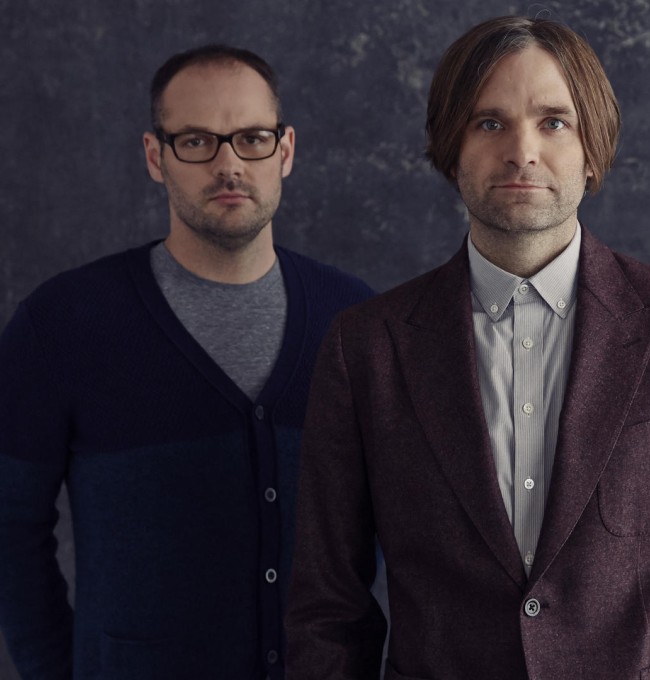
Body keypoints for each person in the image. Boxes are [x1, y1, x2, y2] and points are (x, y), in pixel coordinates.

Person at [285, 15, 650, 680]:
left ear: (592, 147)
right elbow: (328, 607)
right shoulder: (367, 348)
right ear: (451, 148)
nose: (521, 150)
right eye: (489, 122)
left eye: (554, 121)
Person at [0, 45, 373, 679]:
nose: (229, 165)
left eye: (252, 138)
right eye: (197, 141)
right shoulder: (61, 324)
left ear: (285, 151)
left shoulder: (354, 322)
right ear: (156, 156)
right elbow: (9, 529)